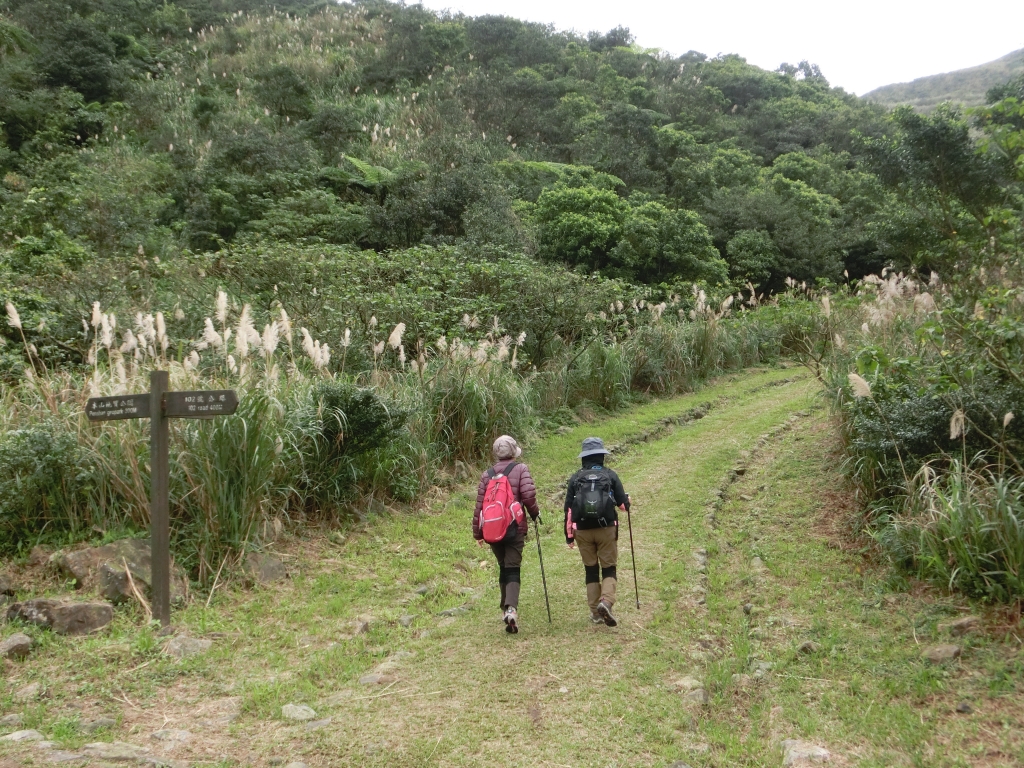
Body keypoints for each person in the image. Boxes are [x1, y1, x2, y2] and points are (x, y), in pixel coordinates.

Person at [472, 435, 540, 634]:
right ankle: (510, 608)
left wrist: (478, 533)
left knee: (503, 566)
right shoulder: (520, 469)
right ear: (513, 452)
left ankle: (505, 608)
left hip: (492, 529)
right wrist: (535, 514)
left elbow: (479, 506)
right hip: (514, 527)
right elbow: (528, 495)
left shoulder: (487, 474)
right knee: (513, 567)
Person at [564, 437, 630, 627]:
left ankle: (595, 613)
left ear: (584, 458)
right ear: (601, 455)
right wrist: (627, 501)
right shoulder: (610, 475)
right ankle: (606, 601)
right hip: (606, 528)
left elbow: (568, 510)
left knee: (591, 570)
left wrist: (569, 535)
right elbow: (623, 505)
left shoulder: (576, 478)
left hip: (582, 531)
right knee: (609, 567)